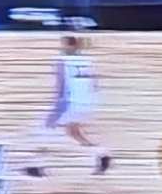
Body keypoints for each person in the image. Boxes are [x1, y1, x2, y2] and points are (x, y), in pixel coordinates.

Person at [25, 24, 110, 179]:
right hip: (87, 102)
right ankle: (102, 154)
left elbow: (61, 84)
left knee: (44, 130)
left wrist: (57, 106)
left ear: (68, 44)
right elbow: (95, 83)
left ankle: (36, 165)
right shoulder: (88, 60)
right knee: (74, 133)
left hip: (68, 102)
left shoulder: (61, 60)